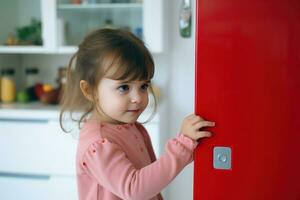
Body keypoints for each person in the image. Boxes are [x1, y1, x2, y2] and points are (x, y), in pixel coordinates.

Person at [59, 28, 215, 200]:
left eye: (144, 86)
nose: (138, 98)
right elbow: (134, 189)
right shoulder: (98, 144)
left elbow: (150, 187)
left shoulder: (132, 128)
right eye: (124, 87)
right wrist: (183, 146)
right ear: (90, 90)